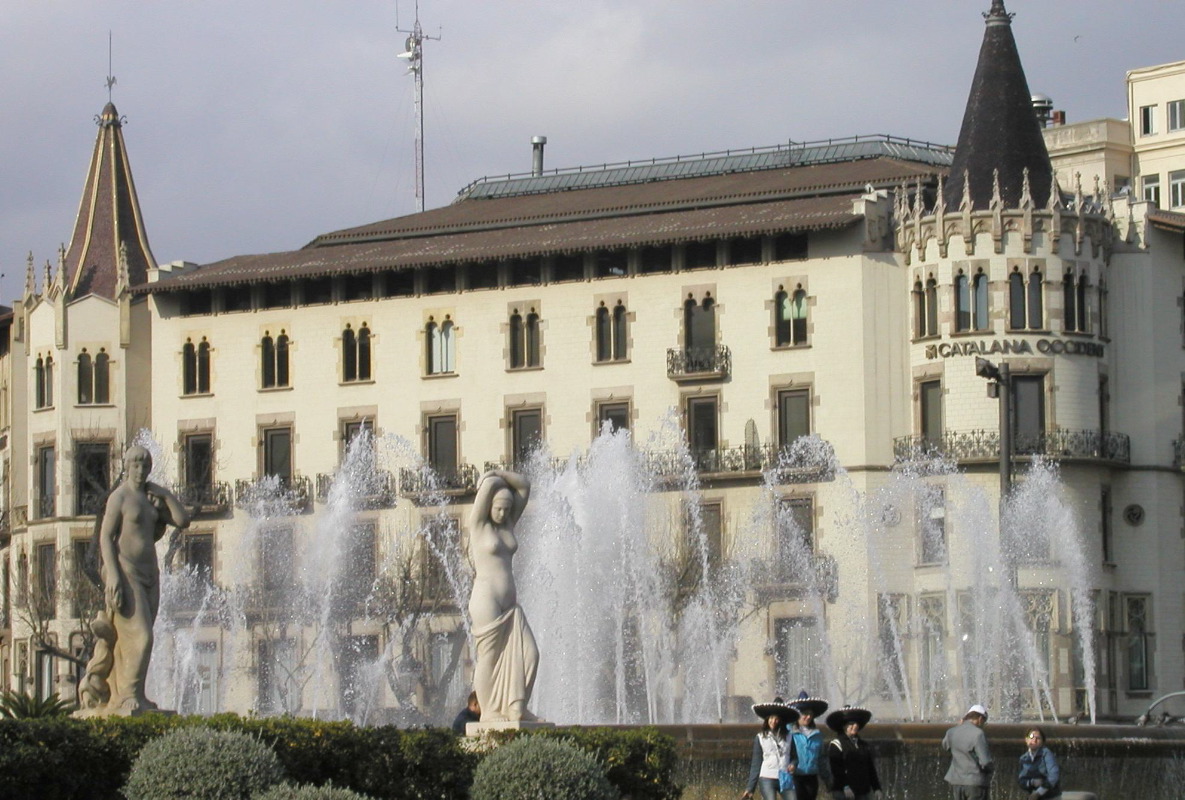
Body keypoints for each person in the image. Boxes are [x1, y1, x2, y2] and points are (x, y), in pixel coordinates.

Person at [78, 446, 191, 716]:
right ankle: (127, 696)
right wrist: (113, 574)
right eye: (135, 466)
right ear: (127, 467)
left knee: (132, 639)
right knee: (142, 636)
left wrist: (164, 493)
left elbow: (182, 520)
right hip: (126, 572)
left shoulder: (151, 499)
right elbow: (106, 536)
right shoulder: (119, 497)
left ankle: (134, 694)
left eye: (144, 466)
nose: (140, 471)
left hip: (150, 573)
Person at [467, 469, 540, 722]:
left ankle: (516, 707)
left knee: (531, 653)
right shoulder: (478, 525)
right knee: (488, 656)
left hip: (511, 605)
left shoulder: (508, 523)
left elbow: (524, 486)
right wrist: (491, 480)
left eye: (507, 509)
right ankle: (489, 712)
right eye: (499, 508)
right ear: (489, 506)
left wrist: (498, 472)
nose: (504, 513)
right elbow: (485, 489)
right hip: (486, 598)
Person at [741, 697, 798, 800]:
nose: (773, 721)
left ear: (781, 720)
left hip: (784, 777)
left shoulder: (789, 736)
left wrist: (793, 764)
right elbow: (756, 764)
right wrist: (750, 788)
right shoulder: (761, 737)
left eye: (776, 719)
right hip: (767, 777)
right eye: (771, 718)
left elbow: (795, 757)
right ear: (767, 719)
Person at [824, 706, 882, 800]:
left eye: (856, 724)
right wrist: (845, 786)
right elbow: (836, 770)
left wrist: (877, 788)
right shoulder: (836, 744)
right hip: (844, 792)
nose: (855, 726)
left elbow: (870, 768)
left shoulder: (863, 745)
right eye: (851, 723)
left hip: (863, 791)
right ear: (844, 726)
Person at [942, 704, 994, 800]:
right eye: (984, 722)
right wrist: (990, 770)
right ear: (979, 719)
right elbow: (985, 761)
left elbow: (946, 746)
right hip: (975, 782)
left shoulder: (951, 732)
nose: (983, 725)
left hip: (957, 781)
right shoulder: (978, 734)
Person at [785, 695, 830, 800]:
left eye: (810, 714)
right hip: (794, 776)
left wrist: (827, 778)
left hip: (811, 777)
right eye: (805, 714)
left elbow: (821, 758)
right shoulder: (788, 733)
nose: (808, 717)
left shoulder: (817, 735)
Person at [1017, 727, 1061, 799]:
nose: (1034, 740)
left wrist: (1038, 792)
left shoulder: (1046, 754)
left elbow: (1054, 775)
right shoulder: (1023, 758)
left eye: (1038, 738)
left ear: (1042, 742)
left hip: (1050, 797)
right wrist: (1032, 782)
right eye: (1031, 737)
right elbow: (1021, 781)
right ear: (1026, 740)